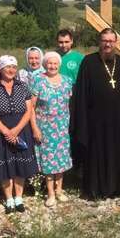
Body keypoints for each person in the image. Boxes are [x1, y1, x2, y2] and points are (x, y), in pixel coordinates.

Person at [71, 28, 120, 199]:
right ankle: (96, 188)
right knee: (97, 153)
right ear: (99, 42)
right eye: (105, 40)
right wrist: (81, 121)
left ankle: (119, 187)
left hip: (118, 119)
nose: (108, 44)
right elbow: (81, 94)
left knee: (117, 152)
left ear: (116, 43)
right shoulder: (88, 62)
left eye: (111, 41)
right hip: (95, 120)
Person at [0, 55, 39, 214]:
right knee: (5, 165)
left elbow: (29, 111)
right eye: (7, 67)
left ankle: (19, 198)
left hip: (21, 129)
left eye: (14, 67)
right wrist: (6, 132)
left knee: (20, 164)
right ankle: (8, 198)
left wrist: (16, 130)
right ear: (0, 69)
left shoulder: (23, 86)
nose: (11, 70)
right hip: (0, 130)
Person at [30, 51, 73, 207]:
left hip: (62, 127)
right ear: (44, 64)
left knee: (61, 159)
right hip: (45, 127)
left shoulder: (67, 81)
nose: (52, 66)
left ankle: (59, 190)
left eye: (55, 63)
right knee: (48, 161)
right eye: (49, 63)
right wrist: (35, 128)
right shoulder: (38, 81)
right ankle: (50, 193)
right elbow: (31, 107)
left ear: (59, 65)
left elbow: (71, 104)